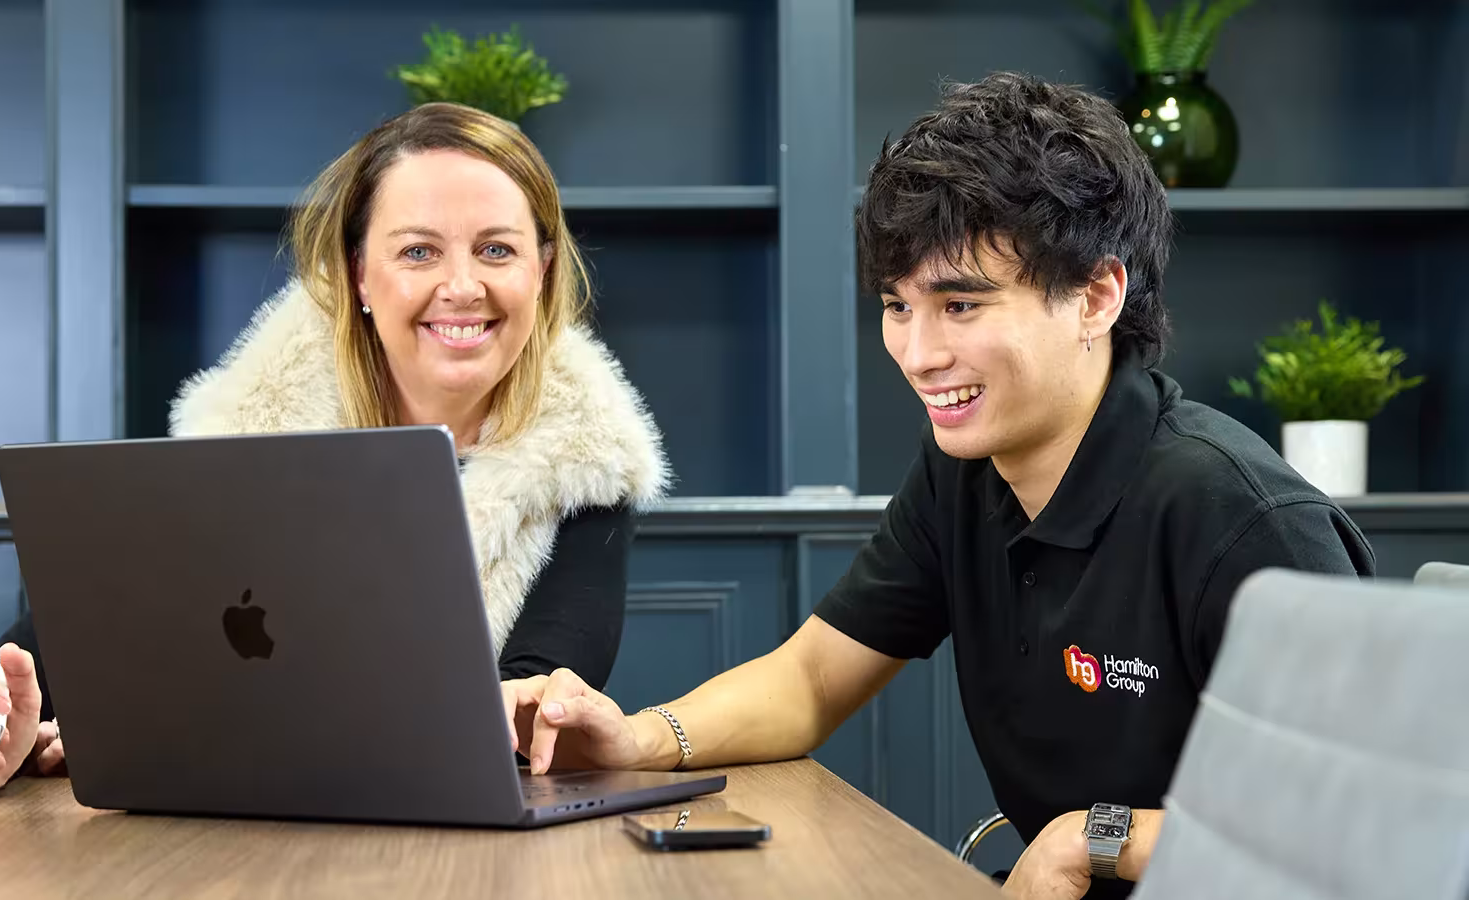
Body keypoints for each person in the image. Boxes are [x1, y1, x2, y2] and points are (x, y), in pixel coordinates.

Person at [500, 72, 1375, 900]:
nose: (919, 354)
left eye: (962, 305)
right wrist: (639, 737)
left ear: (1098, 297)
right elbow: (810, 680)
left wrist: (1091, 838)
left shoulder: (1244, 519)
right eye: (896, 306)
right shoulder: (965, 473)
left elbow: (1358, 835)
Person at [0, 102, 670, 799]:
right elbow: (42, 666)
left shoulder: (590, 461)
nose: (462, 286)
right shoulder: (236, 442)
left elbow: (530, 695)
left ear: (541, 272)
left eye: (496, 250)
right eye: (418, 252)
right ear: (359, 274)